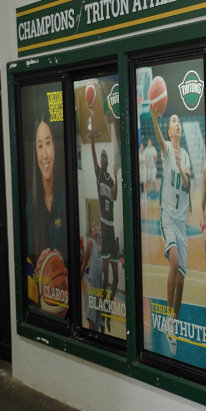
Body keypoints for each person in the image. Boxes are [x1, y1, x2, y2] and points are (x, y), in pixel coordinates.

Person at [151, 105, 191, 351]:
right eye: (173, 121)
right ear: (169, 130)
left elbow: (187, 185)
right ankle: (167, 316)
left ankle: (173, 324)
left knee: (182, 280)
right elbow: (159, 139)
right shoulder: (166, 149)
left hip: (181, 222)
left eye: (178, 122)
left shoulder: (184, 155)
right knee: (174, 262)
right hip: (167, 216)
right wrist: (156, 120)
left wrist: (180, 164)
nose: (177, 123)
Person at [27, 116, 68, 316]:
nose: (45, 154)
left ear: (55, 148)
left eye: (48, 144)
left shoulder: (66, 197)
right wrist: (38, 267)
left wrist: (63, 262)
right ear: (35, 153)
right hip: (42, 307)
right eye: (40, 146)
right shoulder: (30, 207)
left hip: (67, 301)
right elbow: (25, 265)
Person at [89, 120, 119, 332]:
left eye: (104, 156)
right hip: (104, 227)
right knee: (106, 277)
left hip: (113, 229)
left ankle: (107, 309)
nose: (102, 158)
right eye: (100, 157)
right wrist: (92, 129)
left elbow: (115, 198)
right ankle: (102, 315)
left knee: (116, 278)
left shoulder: (108, 177)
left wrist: (116, 177)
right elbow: (92, 149)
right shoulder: (99, 173)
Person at [81, 221, 103, 332]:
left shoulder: (103, 244)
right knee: (91, 318)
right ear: (91, 231)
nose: (95, 228)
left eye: (97, 226)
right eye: (93, 227)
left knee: (98, 317)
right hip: (92, 284)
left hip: (100, 287)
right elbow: (84, 263)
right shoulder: (90, 242)